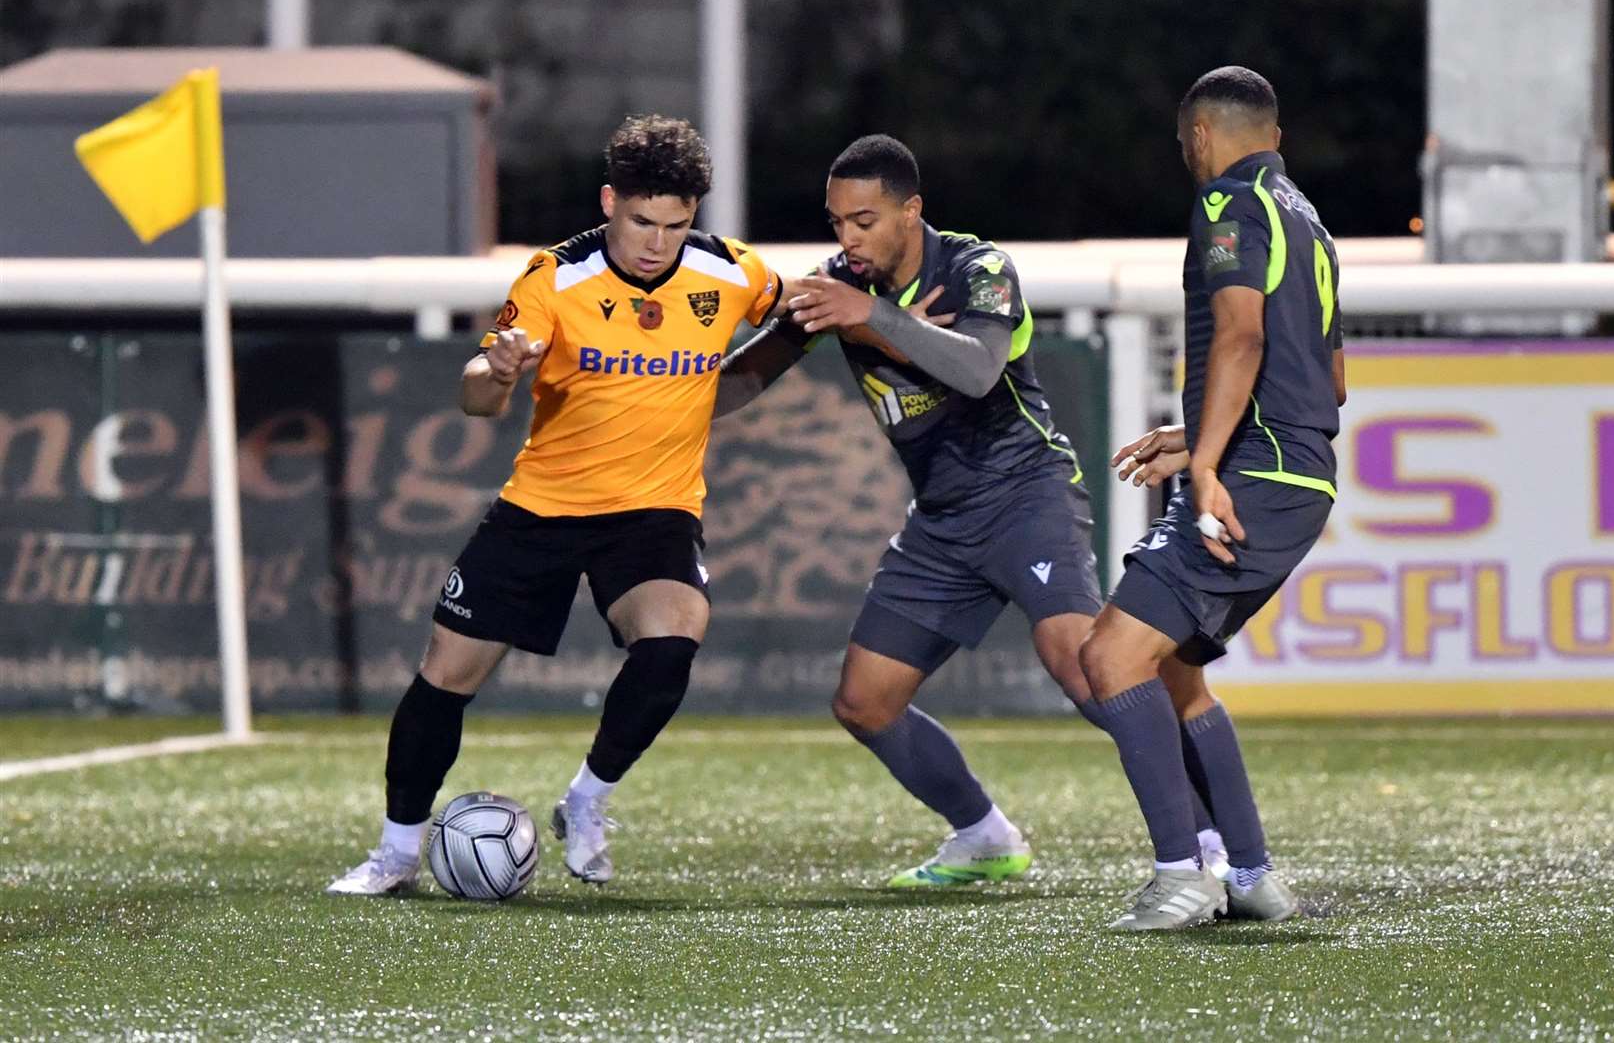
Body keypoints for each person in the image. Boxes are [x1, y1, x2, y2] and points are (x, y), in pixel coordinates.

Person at [717, 134, 1231, 889]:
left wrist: (878, 319)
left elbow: (980, 368)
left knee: (1086, 666)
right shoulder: (839, 283)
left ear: (910, 211)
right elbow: (747, 378)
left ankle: (1210, 840)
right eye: (836, 223)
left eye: (864, 220)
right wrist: (652, 391)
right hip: (942, 520)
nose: (847, 238)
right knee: (864, 703)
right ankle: (985, 835)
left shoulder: (976, 267)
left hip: (1026, 491)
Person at [327, 114, 786, 893]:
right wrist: (500, 370)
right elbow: (477, 395)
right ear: (611, 201)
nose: (657, 241)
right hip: (542, 508)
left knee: (675, 636)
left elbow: (800, 312)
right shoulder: (554, 278)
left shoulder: (733, 273)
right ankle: (397, 854)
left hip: (654, 512)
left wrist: (745, 380)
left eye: (676, 225)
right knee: (445, 676)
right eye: (642, 220)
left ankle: (586, 800)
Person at [1076, 66, 1347, 930]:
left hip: (1254, 480)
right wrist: (1202, 441)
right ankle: (1252, 874)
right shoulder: (1311, 222)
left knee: (1110, 658)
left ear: (1199, 135)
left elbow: (1240, 333)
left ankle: (1181, 874)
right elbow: (1327, 381)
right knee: (1176, 672)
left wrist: (1205, 471)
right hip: (1297, 475)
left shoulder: (1230, 204)